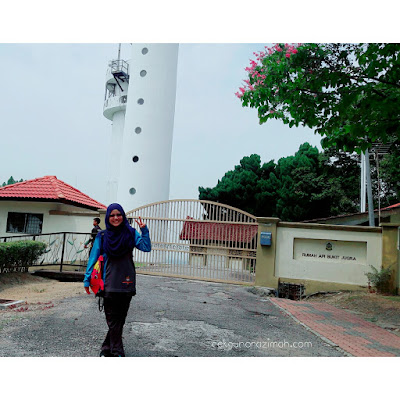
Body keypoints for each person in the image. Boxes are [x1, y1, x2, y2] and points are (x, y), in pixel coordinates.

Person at [83, 203, 151, 357]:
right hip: (108, 281)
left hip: (127, 281)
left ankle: (107, 347)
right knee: (112, 319)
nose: (115, 218)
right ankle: (117, 350)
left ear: (123, 216)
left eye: (118, 214)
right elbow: (93, 258)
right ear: (108, 217)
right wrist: (87, 280)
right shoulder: (102, 236)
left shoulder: (131, 233)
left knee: (120, 318)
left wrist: (144, 230)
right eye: (112, 215)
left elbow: (146, 247)